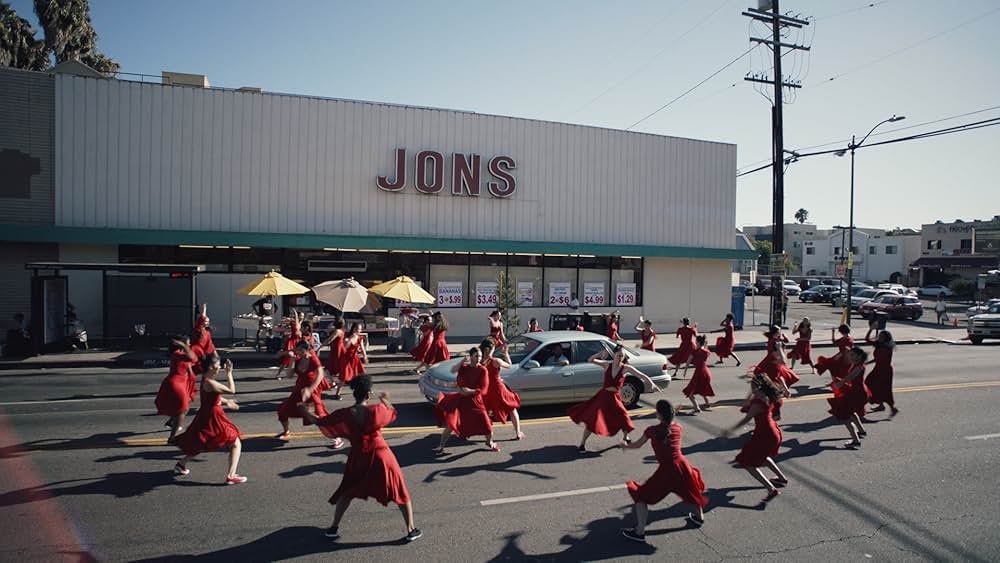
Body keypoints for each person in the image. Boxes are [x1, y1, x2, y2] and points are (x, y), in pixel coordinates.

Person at [301, 376, 421, 542]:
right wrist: (385, 400)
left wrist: (306, 411)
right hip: (381, 454)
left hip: (358, 455)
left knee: (347, 491)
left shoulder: (344, 414)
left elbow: (322, 421)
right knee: (399, 490)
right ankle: (411, 530)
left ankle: (333, 527)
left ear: (354, 394)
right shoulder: (376, 410)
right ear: (369, 394)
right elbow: (393, 414)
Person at [619, 400, 708, 543]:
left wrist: (625, 445)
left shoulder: (651, 431)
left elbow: (637, 445)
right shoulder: (678, 427)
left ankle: (639, 532)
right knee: (692, 492)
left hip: (668, 470)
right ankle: (699, 518)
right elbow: (669, 425)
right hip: (683, 466)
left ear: (659, 415)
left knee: (641, 496)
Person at [568, 345, 660, 453]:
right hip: (603, 397)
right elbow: (590, 360)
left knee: (624, 417)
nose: (620, 357)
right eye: (618, 355)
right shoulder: (607, 365)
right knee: (592, 421)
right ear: (614, 355)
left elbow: (641, 375)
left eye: (622, 356)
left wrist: (652, 383)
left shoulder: (625, 368)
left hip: (615, 398)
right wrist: (599, 354)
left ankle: (625, 437)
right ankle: (582, 444)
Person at [173, 354, 247, 484]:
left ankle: (181, 464)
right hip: (213, 417)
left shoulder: (205, 380)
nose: (219, 368)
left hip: (207, 414)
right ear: (212, 367)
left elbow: (214, 397)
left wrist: (226, 402)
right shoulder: (211, 383)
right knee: (235, 442)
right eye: (218, 366)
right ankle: (231, 475)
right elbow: (232, 390)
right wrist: (229, 373)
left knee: (201, 443)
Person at [721, 374, 788, 502]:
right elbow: (747, 403)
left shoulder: (758, 402)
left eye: (751, 385)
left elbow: (746, 419)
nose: (750, 387)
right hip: (771, 432)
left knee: (747, 462)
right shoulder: (767, 396)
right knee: (763, 456)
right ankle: (781, 478)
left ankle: (771, 489)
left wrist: (728, 431)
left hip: (765, 435)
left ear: (756, 387)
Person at [275, 341, 343, 448]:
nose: (297, 352)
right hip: (299, 391)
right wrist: (292, 360)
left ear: (305, 350)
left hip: (312, 392)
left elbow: (320, 375)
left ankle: (337, 438)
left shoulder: (313, 359)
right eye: (296, 350)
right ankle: (286, 431)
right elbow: (289, 375)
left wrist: (310, 390)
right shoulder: (298, 359)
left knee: (319, 417)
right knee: (283, 410)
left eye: (299, 350)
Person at [433, 347, 498, 453]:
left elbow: (484, 389)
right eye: (476, 356)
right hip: (461, 400)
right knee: (451, 423)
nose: (479, 358)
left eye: (480, 356)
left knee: (486, 424)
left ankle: (489, 442)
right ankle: (441, 446)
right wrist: (461, 362)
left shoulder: (482, 370)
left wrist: (470, 391)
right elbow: (453, 370)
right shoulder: (464, 367)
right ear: (471, 356)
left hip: (475, 401)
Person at [155, 338, 198, 444]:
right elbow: (193, 358)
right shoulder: (177, 354)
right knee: (183, 409)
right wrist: (184, 346)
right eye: (187, 342)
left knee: (182, 405)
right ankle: (172, 437)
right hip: (176, 383)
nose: (189, 343)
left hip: (182, 382)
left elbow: (193, 361)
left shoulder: (181, 353)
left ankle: (171, 422)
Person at [480, 338, 524, 440]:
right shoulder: (496, 361)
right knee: (512, 408)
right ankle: (518, 433)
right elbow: (509, 365)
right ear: (492, 348)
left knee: (482, 412)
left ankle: (477, 432)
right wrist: (506, 353)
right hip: (498, 389)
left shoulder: (480, 361)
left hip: (486, 390)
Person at [827, 347, 872, 449]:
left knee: (845, 415)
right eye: (850, 355)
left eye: (853, 355)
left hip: (857, 393)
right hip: (856, 391)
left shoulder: (859, 367)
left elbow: (850, 377)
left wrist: (840, 384)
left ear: (860, 356)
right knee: (851, 412)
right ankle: (861, 431)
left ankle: (855, 440)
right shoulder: (857, 364)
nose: (851, 357)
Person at [750, 325, 795, 420]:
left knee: (772, 393)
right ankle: (772, 415)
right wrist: (780, 348)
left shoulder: (772, 340)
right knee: (773, 394)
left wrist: (786, 389)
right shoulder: (775, 344)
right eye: (779, 331)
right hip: (770, 370)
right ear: (776, 332)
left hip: (768, 369)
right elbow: (783, 361)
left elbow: (779, 376)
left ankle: (773, 414)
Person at [865, 328, 898, 416]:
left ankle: (892, 408)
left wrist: (867, 363)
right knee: (870, 383)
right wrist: (871, 329)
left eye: (882, 337)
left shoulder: (887, 347)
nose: (880, 338)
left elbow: (880, 359)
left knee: (884, 389)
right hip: (878, 368)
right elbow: (867, 340)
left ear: (886, 338)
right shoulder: (879, 345)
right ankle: (881, 405)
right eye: (880, 336)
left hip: (885, 370)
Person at [682, 335, 715, 414]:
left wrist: (685, 370)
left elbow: (688, 362)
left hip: (699, 372)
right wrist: (705, 345)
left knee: (690, 392)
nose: (695, 343)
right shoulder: (706, 352)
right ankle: (707, 404)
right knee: (703, 388)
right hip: (706, 372)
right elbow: (706, 349)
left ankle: (697, 408)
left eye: (696, 341)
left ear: (699, 343)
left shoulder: (695, 352)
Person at [275, 309, 304, 381]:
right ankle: (278, 374)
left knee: (298, 358)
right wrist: (295, 313)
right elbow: (295, 324)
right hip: (292, 342)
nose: (302, 317)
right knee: (286, 360)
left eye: (303, 316)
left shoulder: (301, 323)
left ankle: (298, 372)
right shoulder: (294, 322)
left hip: (297, 342)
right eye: (301, 316)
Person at [338, 323, 369, 391]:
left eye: (360, 329)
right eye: (359, 329)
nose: (360, 331)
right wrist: (350, 339)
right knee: (344, 377)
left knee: (361, 375)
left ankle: (366, 389)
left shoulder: (359, 338)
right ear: (354, 329)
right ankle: (337, 393)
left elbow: (363, 349)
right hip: (347, 359)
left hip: (355, 359)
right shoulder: (348, 338)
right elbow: (345, 347)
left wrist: (365, 357)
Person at [321, 318, 346, 398]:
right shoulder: (341, 330)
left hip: (336, 350)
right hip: (337, 349)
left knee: (329, 368)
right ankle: (333, 382)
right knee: (331, 368)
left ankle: (333, 382)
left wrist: (321, 346)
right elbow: (329, 329)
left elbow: (329, 340)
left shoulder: (337, 331)